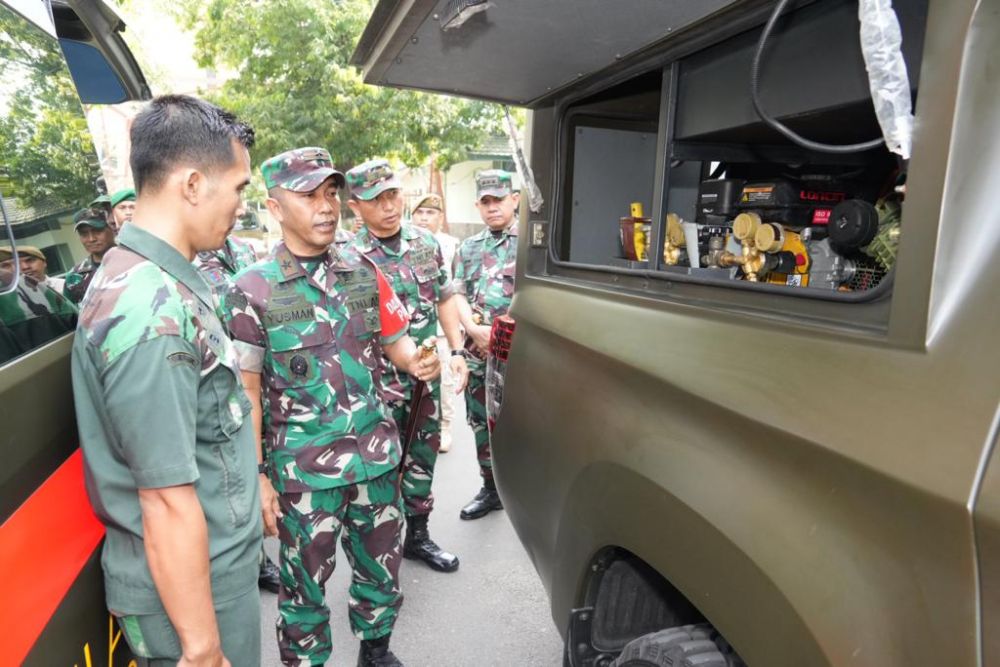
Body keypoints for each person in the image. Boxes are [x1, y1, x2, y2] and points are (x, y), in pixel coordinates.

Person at [226, 146, 439, 667]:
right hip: (303, 475)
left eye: (329, 194)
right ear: (275, 208)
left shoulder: (364, 270)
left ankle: (376, 650)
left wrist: (418, 361)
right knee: (302, 591)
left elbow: (396, 340)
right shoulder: (250, 289)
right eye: (307, 196)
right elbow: (247, 391)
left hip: (376, 457)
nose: (325, 207)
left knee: (381, 571)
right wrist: (258, 476)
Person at [71, 94, 263, 666]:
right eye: (239, 187)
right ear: (194, 184)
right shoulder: (149, 308)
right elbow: (164, 501)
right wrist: (202, 647)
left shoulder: (158, 282)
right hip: (192, 599)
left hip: (206, 576)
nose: (240, 205)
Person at [346, 161, 468, 573]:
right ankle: (377, 546)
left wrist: (457, 351)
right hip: (374, 384)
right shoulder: (346, 257)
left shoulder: (424, 242)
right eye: (375, 199)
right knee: (377, 467)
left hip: (424, 377)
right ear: (355, 207)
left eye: (393, 195)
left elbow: (445, 297)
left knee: (422, 454)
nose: (388, 206)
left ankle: (417, 536)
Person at [193, 230, 285, 596]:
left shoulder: (244, 249)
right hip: (219, 377)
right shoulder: (188, 255)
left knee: (261, 462)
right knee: (236, 470)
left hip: (257, 371)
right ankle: (256, 560)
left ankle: (267, 537)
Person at [452, 169, 519, 520]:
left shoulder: (531, 245)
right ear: (479, 205)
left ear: (515, 200)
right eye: (486, 202)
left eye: (500, 200)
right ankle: (491, 488)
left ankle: (527, 493)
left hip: (521, 356)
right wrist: (471, 329)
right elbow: (457, 294)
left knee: (526, 424)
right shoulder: (468, 247)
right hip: (479, 353)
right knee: (481, 423)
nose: (493, 208)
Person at [411, 193, 460, 453]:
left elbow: (451, 292)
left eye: (430, 213)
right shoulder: (406, 244)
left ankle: (444, 426)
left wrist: (456, 343)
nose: (424, 218)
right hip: (416, 327)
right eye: (420, 213)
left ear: (440, 218)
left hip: (441, 328)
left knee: (444, 381)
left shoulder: (451, 245)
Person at [0, 247, 77, 364]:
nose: (22, 268)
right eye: (4, 266)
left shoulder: (56, 291)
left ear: (44, 262)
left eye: (29, 260)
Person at [63, 208, 116, 304]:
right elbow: (71, 315)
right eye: (84, 234)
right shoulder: (75, 277)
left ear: (111, 229)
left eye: (97, 231)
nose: (91, 239)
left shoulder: (135, 260)